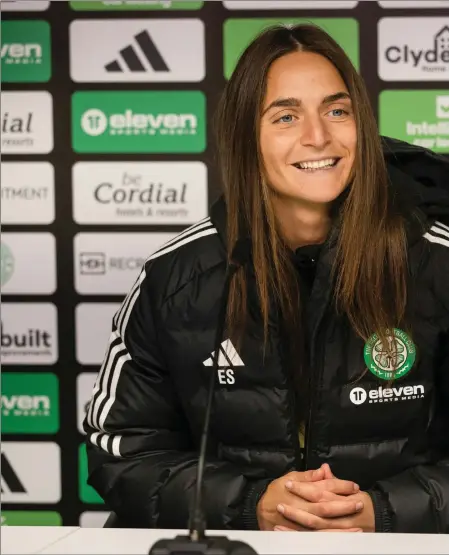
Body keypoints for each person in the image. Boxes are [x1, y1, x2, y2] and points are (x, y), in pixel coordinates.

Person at [83, 23, 449, 534]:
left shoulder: (435, 263)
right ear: (244, 137)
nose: (318, 136)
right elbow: (120, 451)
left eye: (336, 111)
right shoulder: (177, 277)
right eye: (286, 116)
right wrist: (251, 505)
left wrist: (380, 511)